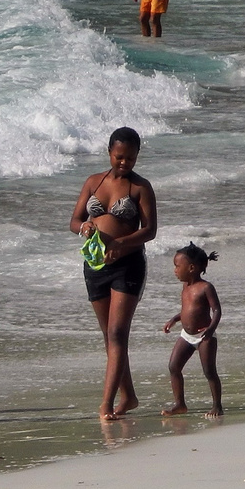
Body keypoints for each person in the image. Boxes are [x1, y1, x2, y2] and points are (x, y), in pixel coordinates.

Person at [70, 127, 159, 421]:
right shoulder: (93, 182)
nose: (124, 163)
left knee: (118, 334)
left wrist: (121, 244)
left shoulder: (140, 187)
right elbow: (75, 220)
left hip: (128, 265)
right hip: (95, 266)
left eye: (130, 158)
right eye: (119, 157)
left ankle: (106, 405)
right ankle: (129, 396)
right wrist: (84, 227)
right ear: (109, 152)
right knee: (109, 338)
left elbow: (150, 230)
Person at [161, 244, 223, 418]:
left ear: (192, 268)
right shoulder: (186, 286)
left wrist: (211, 330)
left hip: (205, 336)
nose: (175, 270)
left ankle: (217, 406)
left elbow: (217, 310)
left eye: (177, 266)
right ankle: (180, 404)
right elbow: (187, 310)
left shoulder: (206, 287)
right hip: (186, 336)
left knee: (209, 371)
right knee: (174, 366)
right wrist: (175, 319)